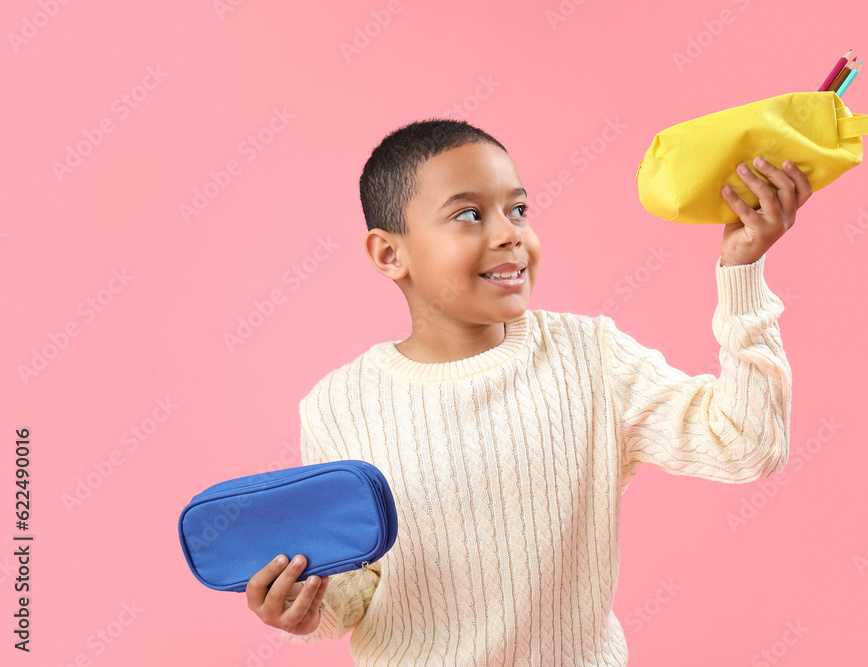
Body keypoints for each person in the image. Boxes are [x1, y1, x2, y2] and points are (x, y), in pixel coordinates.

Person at [244, 118, 810, 665]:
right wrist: (305, 609)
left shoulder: (592, 357)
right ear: (391, 254)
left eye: (518, 209)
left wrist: (743, 272)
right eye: (469, 214)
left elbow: (748, 445)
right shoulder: (339, 406)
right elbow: (356, 581)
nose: (510, 233)